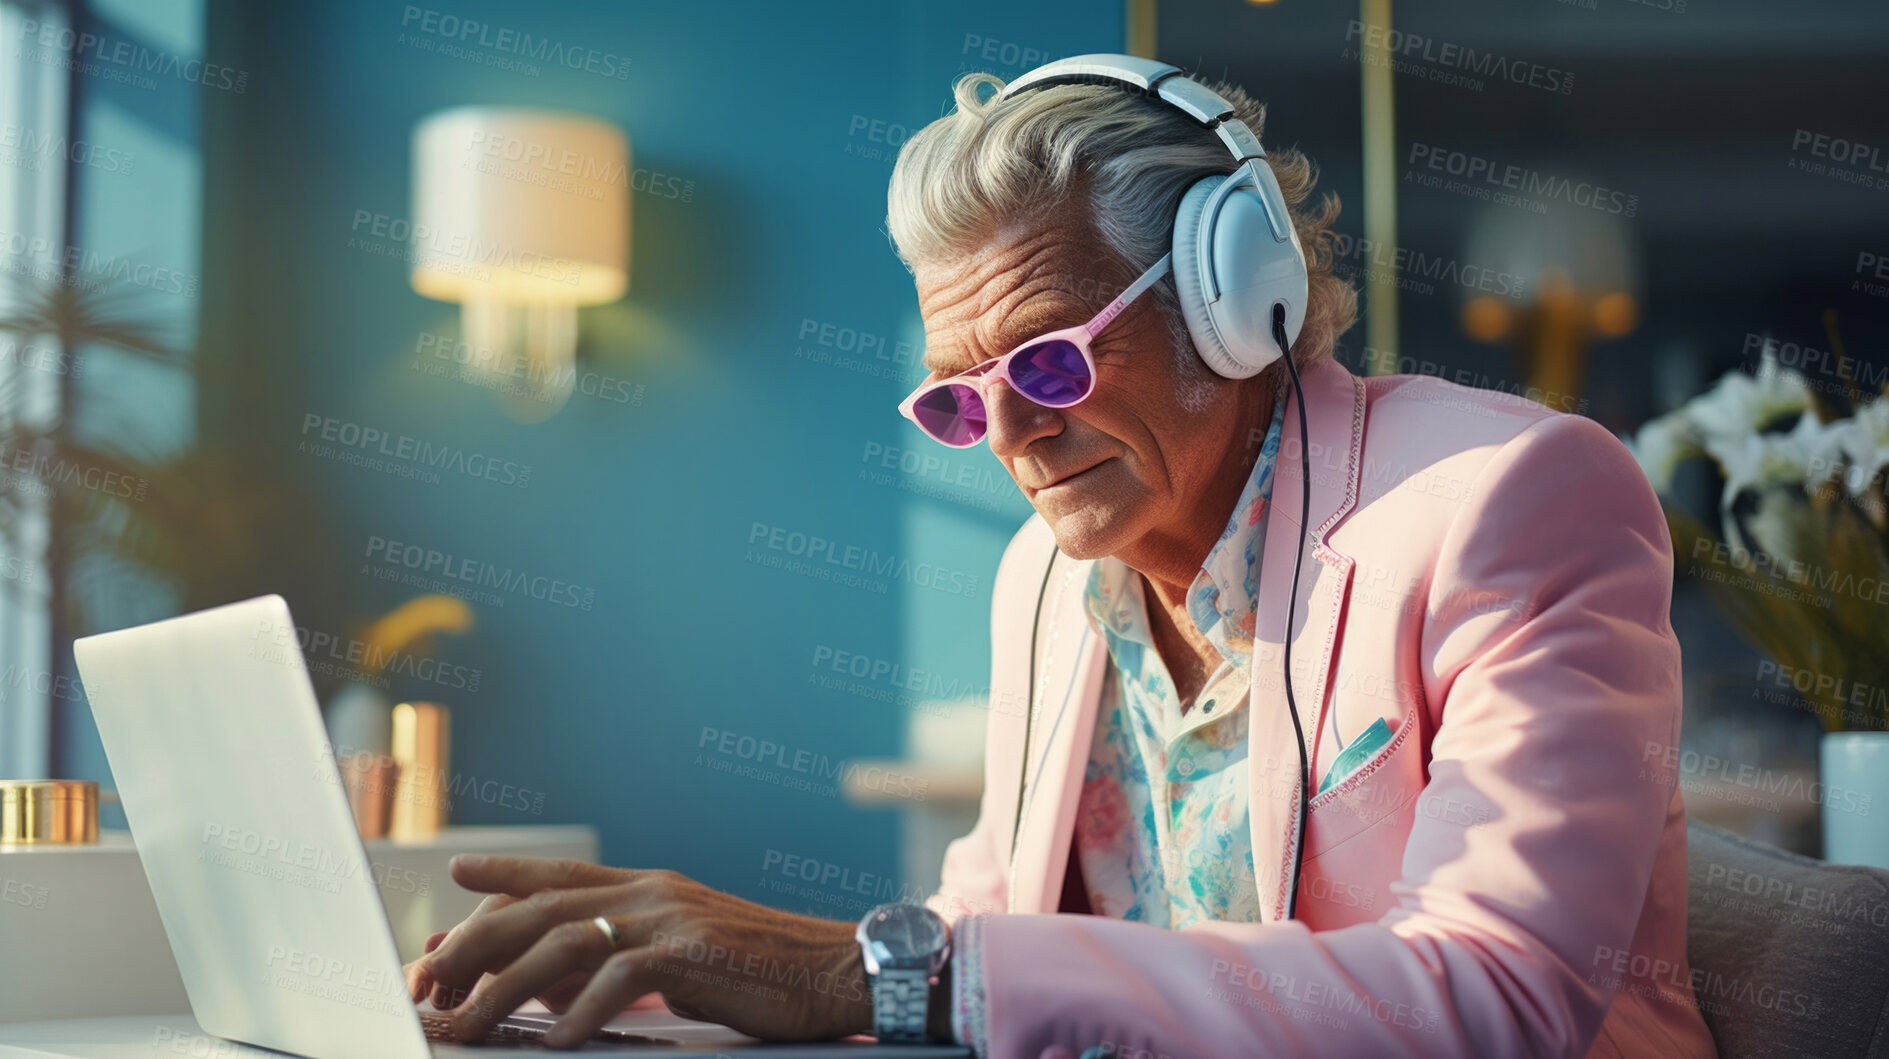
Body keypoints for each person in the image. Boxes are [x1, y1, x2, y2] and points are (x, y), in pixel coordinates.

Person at [405, 55, 1717, 1059]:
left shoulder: (1512, 498)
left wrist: (892, 972)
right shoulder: (1043, 581)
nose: (1011, 435)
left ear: (1233, 292)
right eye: (958, 400)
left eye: (1046, 358)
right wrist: (640, 978)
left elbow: (1498, 990)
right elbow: (991, 922)